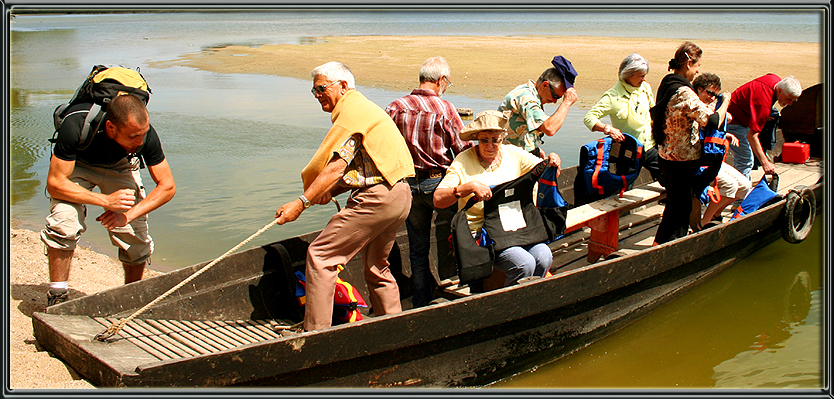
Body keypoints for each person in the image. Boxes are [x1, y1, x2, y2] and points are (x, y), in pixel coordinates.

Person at [275, 61, 414, 332]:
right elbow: (362, 167)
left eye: (321, 89)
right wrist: (326, 191)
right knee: (377, 266)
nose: (317, 96)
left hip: (378, 199)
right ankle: (393, 327)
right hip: (400, 196)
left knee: (320, 256)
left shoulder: (353, 112)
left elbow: (336, 165)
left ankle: (315, 332)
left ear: (344, 86)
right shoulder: (365, 109)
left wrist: (302, 202)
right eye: (313, 91)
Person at [40, 94, 176, 306]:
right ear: (111, 127)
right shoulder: (76, 124)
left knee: (134, 234)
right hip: (79, 165)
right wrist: (105, 200)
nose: (140, 141)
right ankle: (57, 295)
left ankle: (131, 297)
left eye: (143, 134)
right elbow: (55, 184)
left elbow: (167, 187)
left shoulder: (144, 135)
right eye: (133, 137)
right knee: (63, 222)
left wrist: (127, 216)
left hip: (121, 165)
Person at [433, 110, 561, 287]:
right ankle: (508, 303)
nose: (490, 145)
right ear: (477, 138)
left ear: (502, 138)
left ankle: (529, 297)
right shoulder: (463, 161)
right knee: (524, 263)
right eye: (484, 140)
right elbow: (438, 199)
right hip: (482, 231)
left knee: (544, 256)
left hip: (516, 228)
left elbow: (546, 171)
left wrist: (553, 162)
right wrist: (466, 188)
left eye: (496, 140)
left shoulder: (514, 153)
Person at [384, 56, 473, 308]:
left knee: (417, 247)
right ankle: (466, 286)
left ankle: (422, 301)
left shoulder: (394, 107)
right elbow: (463, 148)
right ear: (441, 80)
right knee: (463, 233)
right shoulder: (445, 109)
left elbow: (384, 148)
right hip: (439, 183)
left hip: (407, 186)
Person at [649, 42, 730, 245]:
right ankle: (662, 248)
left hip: (666, 155)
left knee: (679, 206)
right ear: (688, 64)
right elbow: (711, 121)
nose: (697, 72)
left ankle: (671, 244)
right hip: (681, 161)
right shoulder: (684, 91)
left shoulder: (667, 82)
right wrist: (726, 101)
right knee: (677, 209)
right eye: (697, 67)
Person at [583, 53, 663, 185]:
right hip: (628, 151)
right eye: (641, 76)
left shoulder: (645, 88)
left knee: (671, 181)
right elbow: (589, 118)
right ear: (629, 75)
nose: (644, 79)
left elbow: (653, 111)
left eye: (645, 75)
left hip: (650, 146)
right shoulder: (612, 97)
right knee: (623, 189)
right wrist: (608, 129)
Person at [691, 73, 752, 229]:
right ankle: (704, 222)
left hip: (712, 159)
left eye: (715, 95)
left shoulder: (710, 107)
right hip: (697, 162)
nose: (712, 98)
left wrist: (726, 135)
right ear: (699, 90)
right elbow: (712, 122)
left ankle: (716, 214)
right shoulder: (694, 106)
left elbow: (712, 130)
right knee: (731, 185)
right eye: (709, 93)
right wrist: (724, 104)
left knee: (745, 185)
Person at [498, 55, 579, 158]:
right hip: (509, 158)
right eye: (555, 96)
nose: (554, 101)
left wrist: (535, 146)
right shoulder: (526, 97)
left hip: (520, 154)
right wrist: (566, 102)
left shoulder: (533, 94)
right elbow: (549, 129)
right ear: (545, 85)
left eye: (558, 98)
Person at [726, 74, 802, 179]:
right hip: (733, 121)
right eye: (789, 99)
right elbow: (751, 136)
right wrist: (765, 163)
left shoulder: (774, 79)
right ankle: (740, 191)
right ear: (779, 91)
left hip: (740, 111)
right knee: (746, 160)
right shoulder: (763, 105)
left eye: (794, 100)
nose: (790, 103)